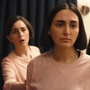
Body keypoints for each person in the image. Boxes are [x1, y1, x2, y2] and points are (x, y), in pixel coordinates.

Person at [26, 3, 90, 90]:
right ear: (49, 29)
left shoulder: (88, 65)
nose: (67, 32)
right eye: (60, 24)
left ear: (79, 31)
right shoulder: (35, 64)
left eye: (73, 25)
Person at [1, 15, 41, 90]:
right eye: (15, 32)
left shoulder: (36, 50)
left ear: (29, 33)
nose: (20, 34)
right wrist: (26, 85)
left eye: (23, 30)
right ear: (9, 38)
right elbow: (8, 84)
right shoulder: (7, 61)